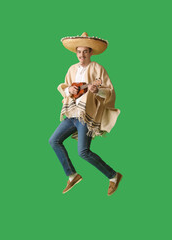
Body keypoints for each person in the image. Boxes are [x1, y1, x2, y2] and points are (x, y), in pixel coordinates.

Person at [49, 32, 122, 196]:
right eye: (79, 52)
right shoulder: (72, 69)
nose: (81, 55)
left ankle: (113, 176)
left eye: (85, 52)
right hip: (72, 114)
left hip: (85, 115)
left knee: (83, 151)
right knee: (54, 140)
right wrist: (70, 89)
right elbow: (65, 88)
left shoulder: (98, 69)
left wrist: (97, 90)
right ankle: (72, 175)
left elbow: (108, 91)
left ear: (90, 52)